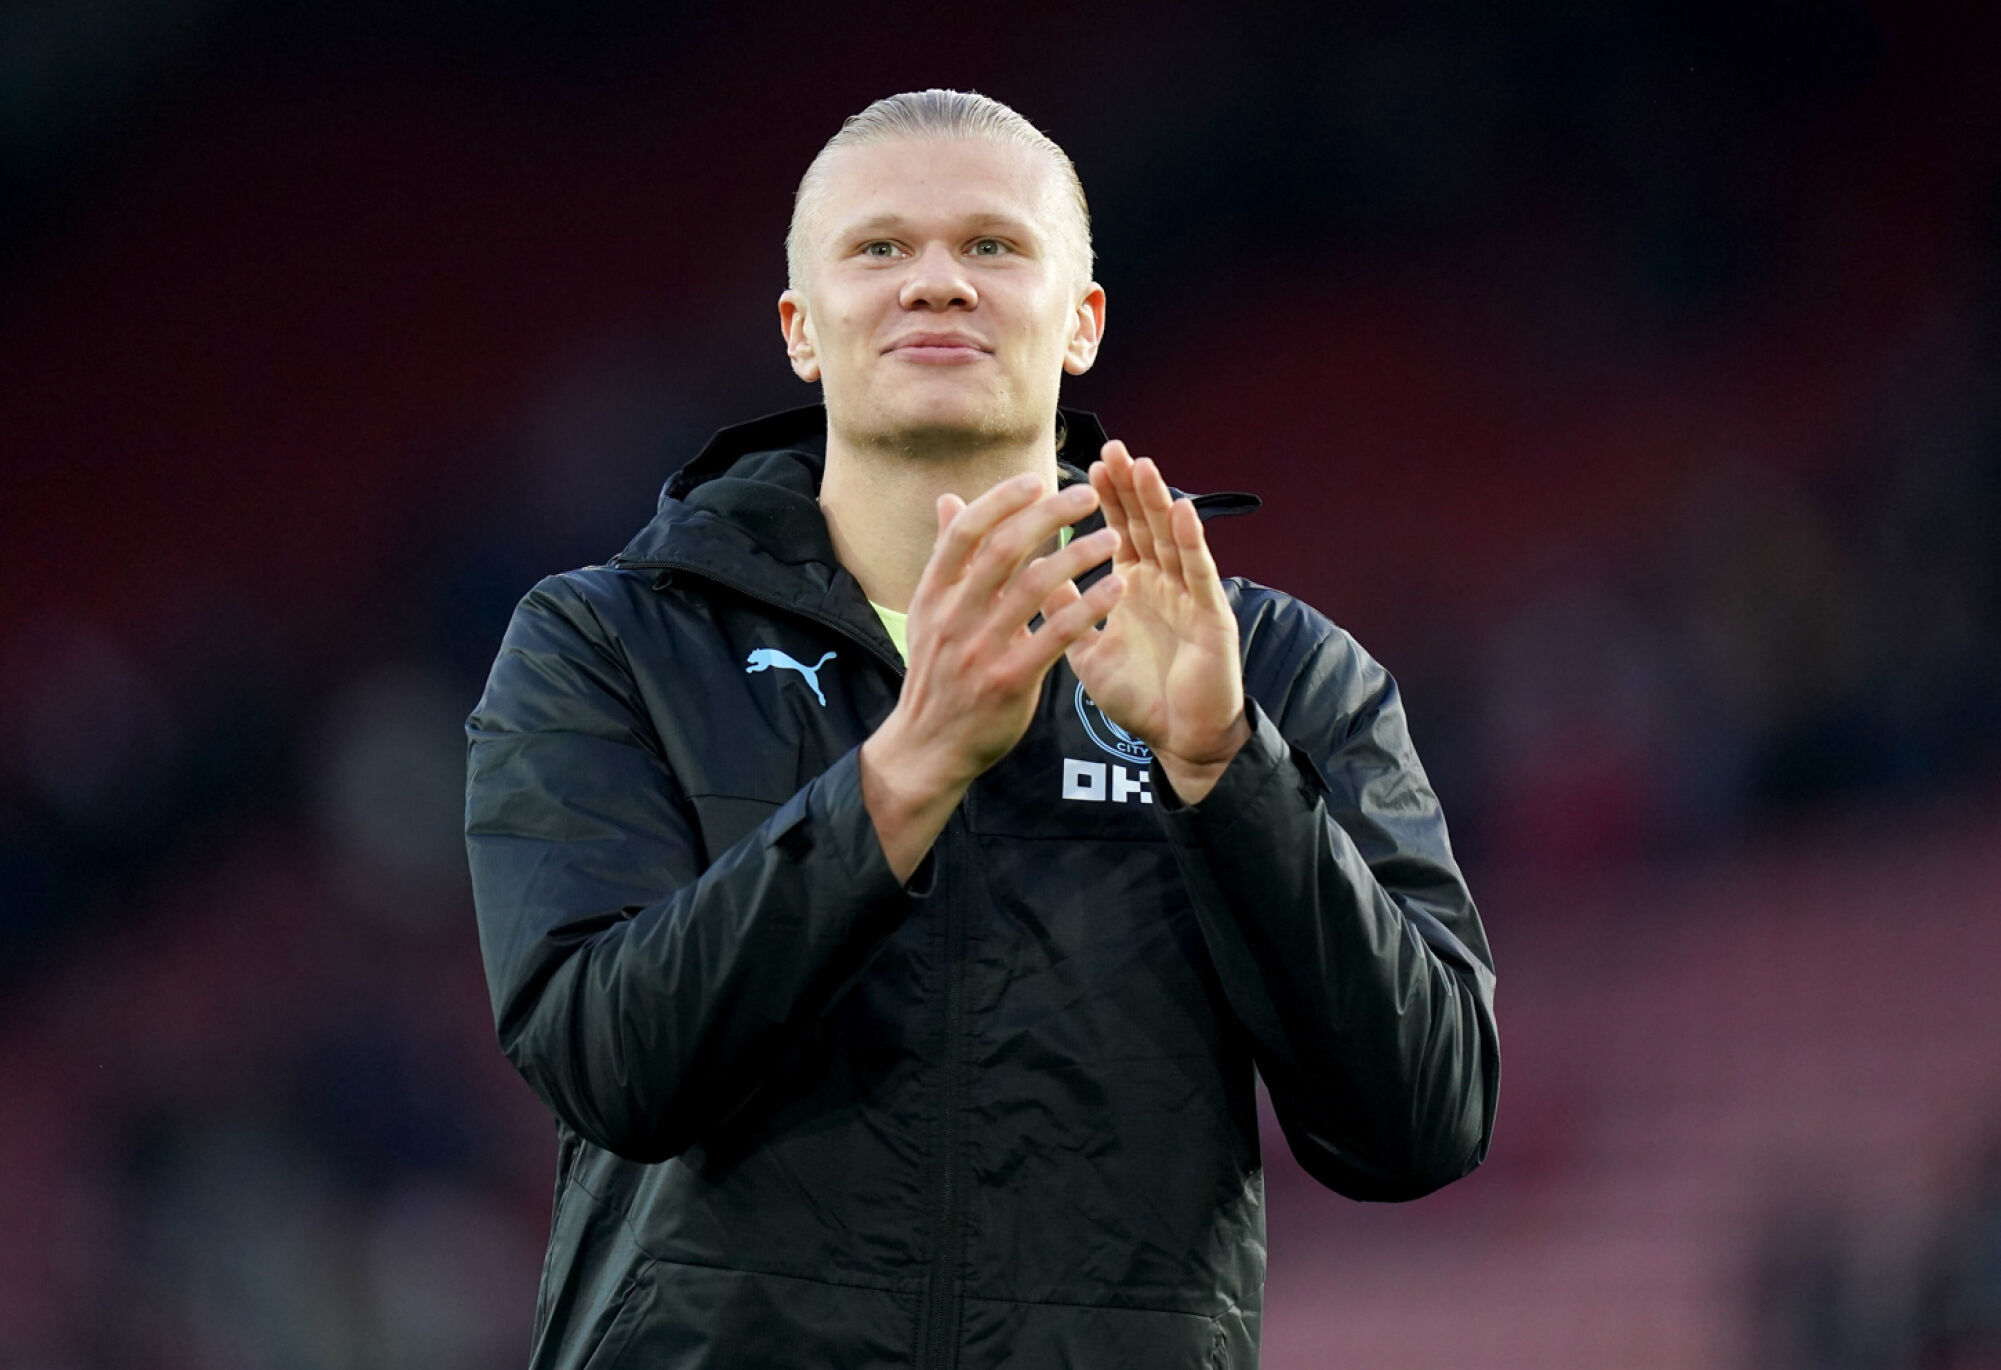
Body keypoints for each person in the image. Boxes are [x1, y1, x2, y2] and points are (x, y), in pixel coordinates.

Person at [465, 89, 1498, 1370]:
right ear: (800, 329)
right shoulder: (610, 644)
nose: (937, 281)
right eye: (879, 247)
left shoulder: (1273, 671)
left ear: (1084, 320)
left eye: (994, 245)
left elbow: (1422, 1122)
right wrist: (909, 765)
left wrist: (1226, 770)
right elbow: (607, 1064)